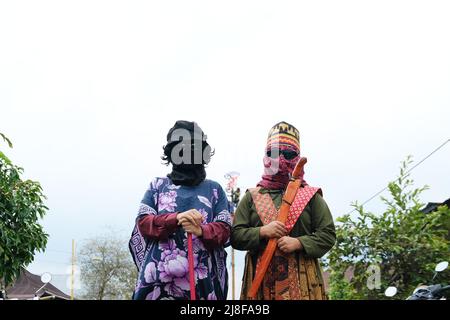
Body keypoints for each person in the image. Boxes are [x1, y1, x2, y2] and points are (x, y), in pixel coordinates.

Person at [231, 121, 336, 300]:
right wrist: (262, 232)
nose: (280, 159)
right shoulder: (251, 196)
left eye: (288, 154)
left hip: (305, 285)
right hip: (260, 284)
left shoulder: (311, 196)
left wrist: (299, 243)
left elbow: (328, 235)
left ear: (297, 158)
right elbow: (235, 237)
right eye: (273, 153)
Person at [129, 120, 232, 300]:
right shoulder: (157, 186)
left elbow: (226, 230)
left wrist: (201, 230)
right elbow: (144, 223)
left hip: (203, 285)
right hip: (158, 285)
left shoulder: (214, 190)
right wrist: (175, 218)